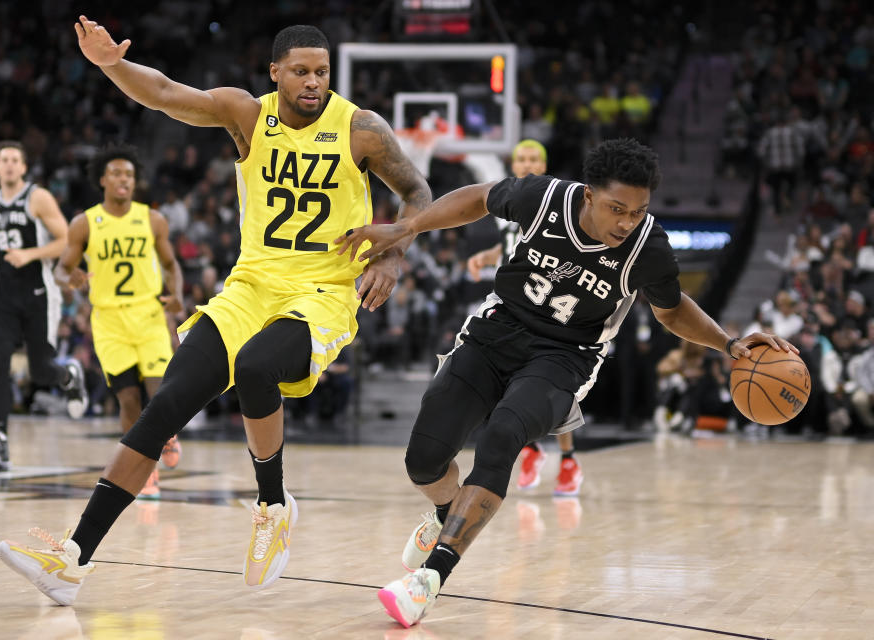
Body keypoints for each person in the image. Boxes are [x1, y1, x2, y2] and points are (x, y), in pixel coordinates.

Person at [0, 17, 431, 605]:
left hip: (323, 293)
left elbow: (417, 192)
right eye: (300, 71)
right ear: (275, 73)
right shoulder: (247, 114)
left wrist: (395, 253)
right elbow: (169, 95)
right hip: (250, 287)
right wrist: (111, 65)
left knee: (256, 367)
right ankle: (72, 559)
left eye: (322, 72)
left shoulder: (361, 130)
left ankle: (272, 506)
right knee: (164, 406)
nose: (313, 82)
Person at [335, 138, 796, 628]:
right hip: (496, 331)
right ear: (588, 195)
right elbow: (478, 198)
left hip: (565, 357)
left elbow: (672, 309)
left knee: (503, 435)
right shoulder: (544, 197)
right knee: (423, 461)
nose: (627, 222)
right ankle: (448, 512)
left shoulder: (647, 247)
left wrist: (727, 344)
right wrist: (409, 224)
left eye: (638, 211)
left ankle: (428, 580)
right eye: (617, 208)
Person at [54, 144, 185, 500]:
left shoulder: (152, 219)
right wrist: (71, 280)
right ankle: (148, 472)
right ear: (102, 180)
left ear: (134, 180)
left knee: (160, 397)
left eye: (128, 173)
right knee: (128, 403)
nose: (123, 179)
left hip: (147, 316)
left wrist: (177, 298)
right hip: (109, 322)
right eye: (115, 173)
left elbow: (172, 265)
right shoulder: (84, 222)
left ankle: (167, 434)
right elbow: (60, 269)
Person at [0, 141, 88, 471]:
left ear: (24, 168)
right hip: (3, 295)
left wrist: (30, 254)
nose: (10, 165)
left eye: (15, 160)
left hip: (39, 293)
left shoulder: (37, 197)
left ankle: (68, 376)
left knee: (40, 370)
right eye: (4, 160)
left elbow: (66, 241)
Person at [466, 139, 583, 495]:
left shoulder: (561, 206)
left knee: (557, 392)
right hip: (513, 310)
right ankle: (531, 451)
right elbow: (508, 245)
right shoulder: (509, 206)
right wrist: (483, 259)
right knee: (508, 384)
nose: (527, 164)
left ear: (544, 165)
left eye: (534, 159)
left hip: (551, 311)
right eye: (521, 159)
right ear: (513, 165)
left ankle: (568, 460)